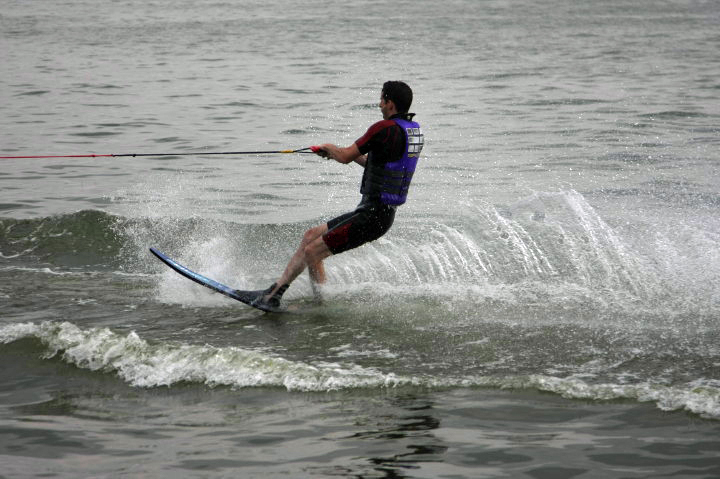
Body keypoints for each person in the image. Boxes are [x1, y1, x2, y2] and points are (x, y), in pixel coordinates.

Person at [252, 81, 424, 310]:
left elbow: (344, 156)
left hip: (373, 215)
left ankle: (287, 299)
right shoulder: (410, 131)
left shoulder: (383, 129)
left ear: (389, 103)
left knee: (312, 252)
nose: (379, 104)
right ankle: (290, 296)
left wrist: (330, 148)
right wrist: (336, 153)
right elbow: (373, 165)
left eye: (381, 99)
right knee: (311, 236)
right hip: (377, 213)